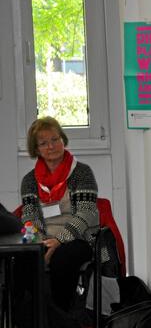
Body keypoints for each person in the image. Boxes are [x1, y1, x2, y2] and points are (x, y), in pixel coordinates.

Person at [19, 117, 99, 312]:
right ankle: (33, 317)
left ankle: (62, 317)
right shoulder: (29, 180)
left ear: (63, 140)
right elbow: (29, 217)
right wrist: (39, 242)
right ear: (36, 149)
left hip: (79, 238)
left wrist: (59, 240)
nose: (51, 146)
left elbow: (87, 212)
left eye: (55, 139)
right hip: (44, 239)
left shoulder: (81, 172)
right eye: (43, 143)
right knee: (20, 260)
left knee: (62, 259)